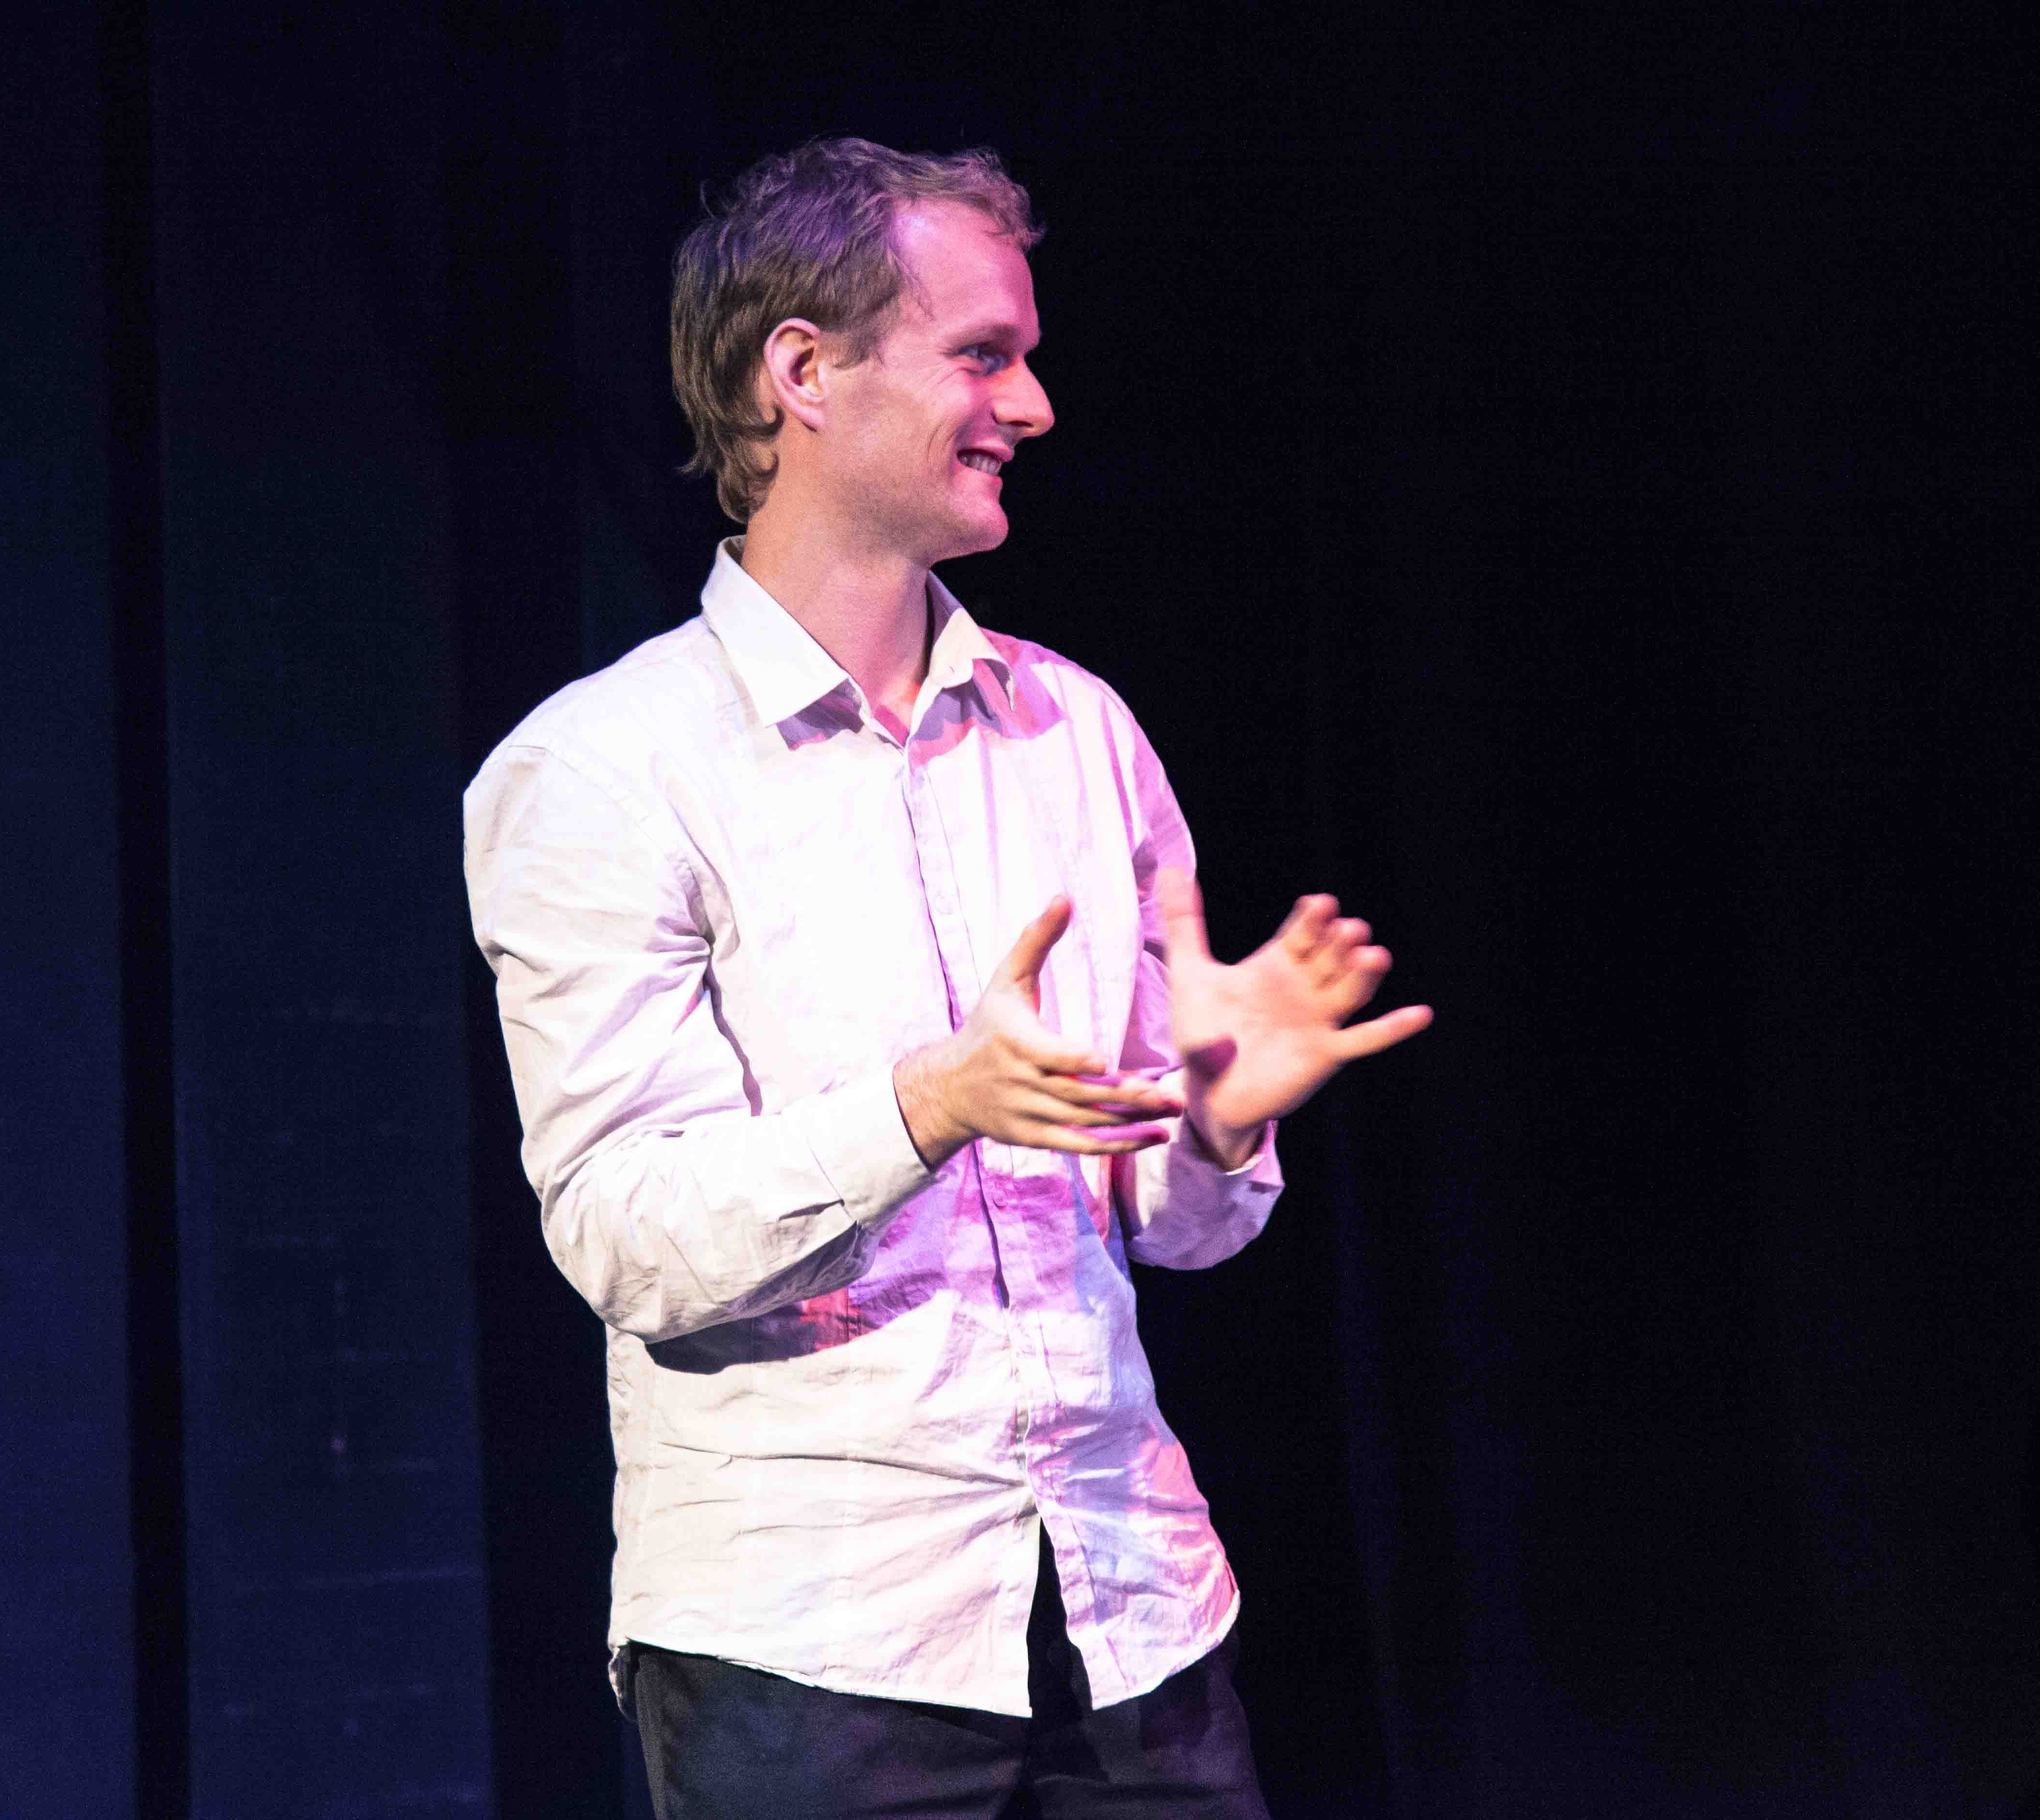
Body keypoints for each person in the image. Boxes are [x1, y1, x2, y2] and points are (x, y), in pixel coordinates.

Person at [462, 137, 1430, 1820]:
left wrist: (1205, 1132)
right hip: (812, 1652)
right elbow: (626, 1233)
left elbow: (1175, 1229)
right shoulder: (606, 770)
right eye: (983, 354)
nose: (1035, 404)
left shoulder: (1079, 732)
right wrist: (927, 1106)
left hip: (1133, 1619)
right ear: (803, 374)